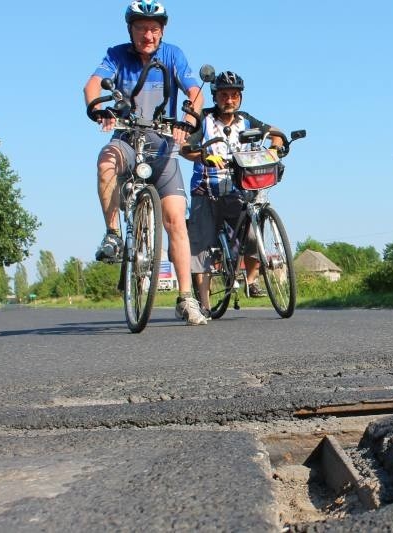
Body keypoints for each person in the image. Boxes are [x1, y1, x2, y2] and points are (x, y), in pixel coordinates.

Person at [83, 0, 208, 325]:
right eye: (141, 29)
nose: (147, 35)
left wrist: (189, 117)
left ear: (162, 31)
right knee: (105, 161)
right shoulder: (117, 54)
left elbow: (195, 90)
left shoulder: (173, 55)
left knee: (175, 220)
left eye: (153, 29)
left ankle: (185, 298)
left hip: (163, 142)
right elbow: (92, 84)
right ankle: (112, 233)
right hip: (126, 138)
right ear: (131, 31)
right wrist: (98, 107)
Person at [181, 70, 284, 315]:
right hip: (206, 190)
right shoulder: (204, 120)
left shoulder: (245, 120)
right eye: (224, 95)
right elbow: (185, 148)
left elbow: (276, 133)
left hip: (238, 189)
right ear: (215, 96)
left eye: (235, 95)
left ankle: (251, 281)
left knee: (251, 233)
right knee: (201, 246)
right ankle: (203, 306)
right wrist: (205, 156)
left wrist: (274, 149)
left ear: (240, 98)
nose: (230, 100)